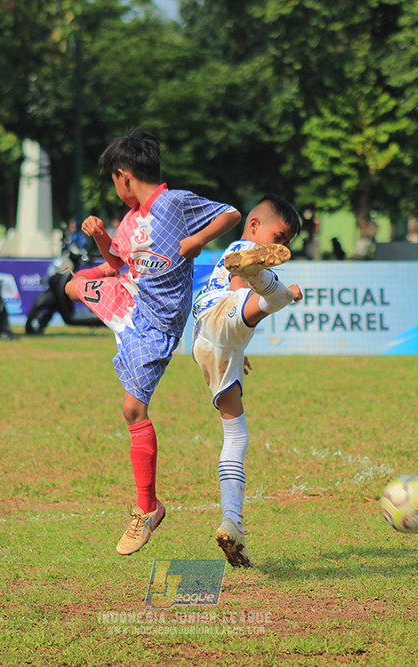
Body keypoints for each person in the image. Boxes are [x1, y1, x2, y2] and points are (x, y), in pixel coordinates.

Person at [64, 128, 241, 556]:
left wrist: (198, 240)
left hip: (158, 325)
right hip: (132, 305)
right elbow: (118, 260)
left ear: (124, 176)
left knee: (132, 409)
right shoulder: (130, 220)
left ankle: (148, 508)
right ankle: (148, 506)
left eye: (114, 182)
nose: (116, 189)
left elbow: (232, 214)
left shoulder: (174, 203)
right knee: (73, 286)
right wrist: (103, 239)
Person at [191, 195, 303, 567]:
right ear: (254, 225)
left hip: (208, 342)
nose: (280, 246)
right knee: (279, 294)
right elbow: (237, 285)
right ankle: (273, 286)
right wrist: (258, 299)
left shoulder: (241, 250)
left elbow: (233, 315)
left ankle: (231, 523)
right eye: (279, 235)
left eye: (285, 243)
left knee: (236, 435)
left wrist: (239, 340)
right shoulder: (243, 246)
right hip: (226, 311)